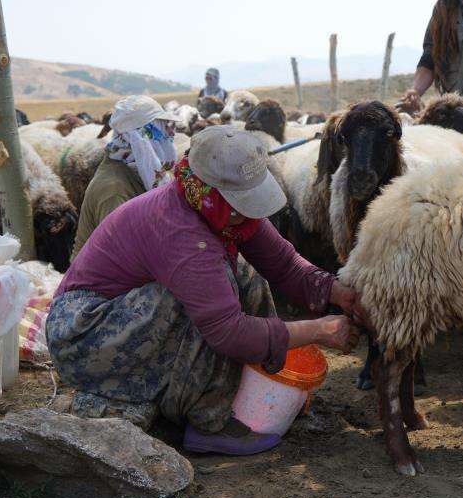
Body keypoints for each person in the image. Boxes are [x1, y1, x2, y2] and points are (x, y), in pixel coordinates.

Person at [46, 126, 360, 455]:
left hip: (124, 315)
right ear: (214, 192)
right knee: (208, 293)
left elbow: (283, 263)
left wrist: (338, 293)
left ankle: (244, 387)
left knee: (243, 275)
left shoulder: (221, 211)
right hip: (84, 335)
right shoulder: (181, 230)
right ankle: (208, 419)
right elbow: (229, 332)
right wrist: (318, 330)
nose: (249, 210)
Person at [71, 95, 180, 260]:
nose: (170, 133)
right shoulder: (114, 189)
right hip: (99, 281)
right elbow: (119, 255)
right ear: (141, 138)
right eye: (161, 129)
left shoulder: (146, 175)